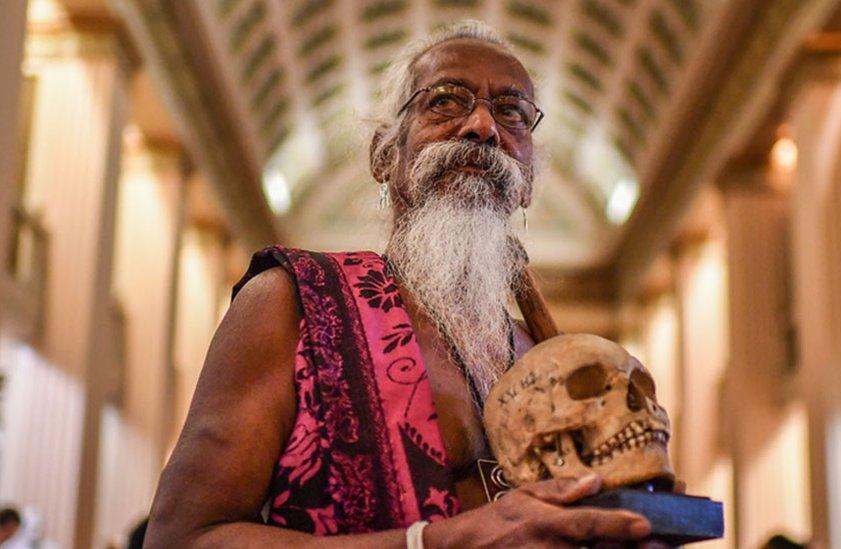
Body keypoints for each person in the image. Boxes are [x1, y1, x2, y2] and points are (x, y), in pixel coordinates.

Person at [146, 20, 666, 547]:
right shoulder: (292, 304)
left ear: (528, 180)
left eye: (512, 112)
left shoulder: (544, 356)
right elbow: (181, 538)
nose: (483, 126)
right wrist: (434, 543)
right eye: (445, 101)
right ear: (383, 156)